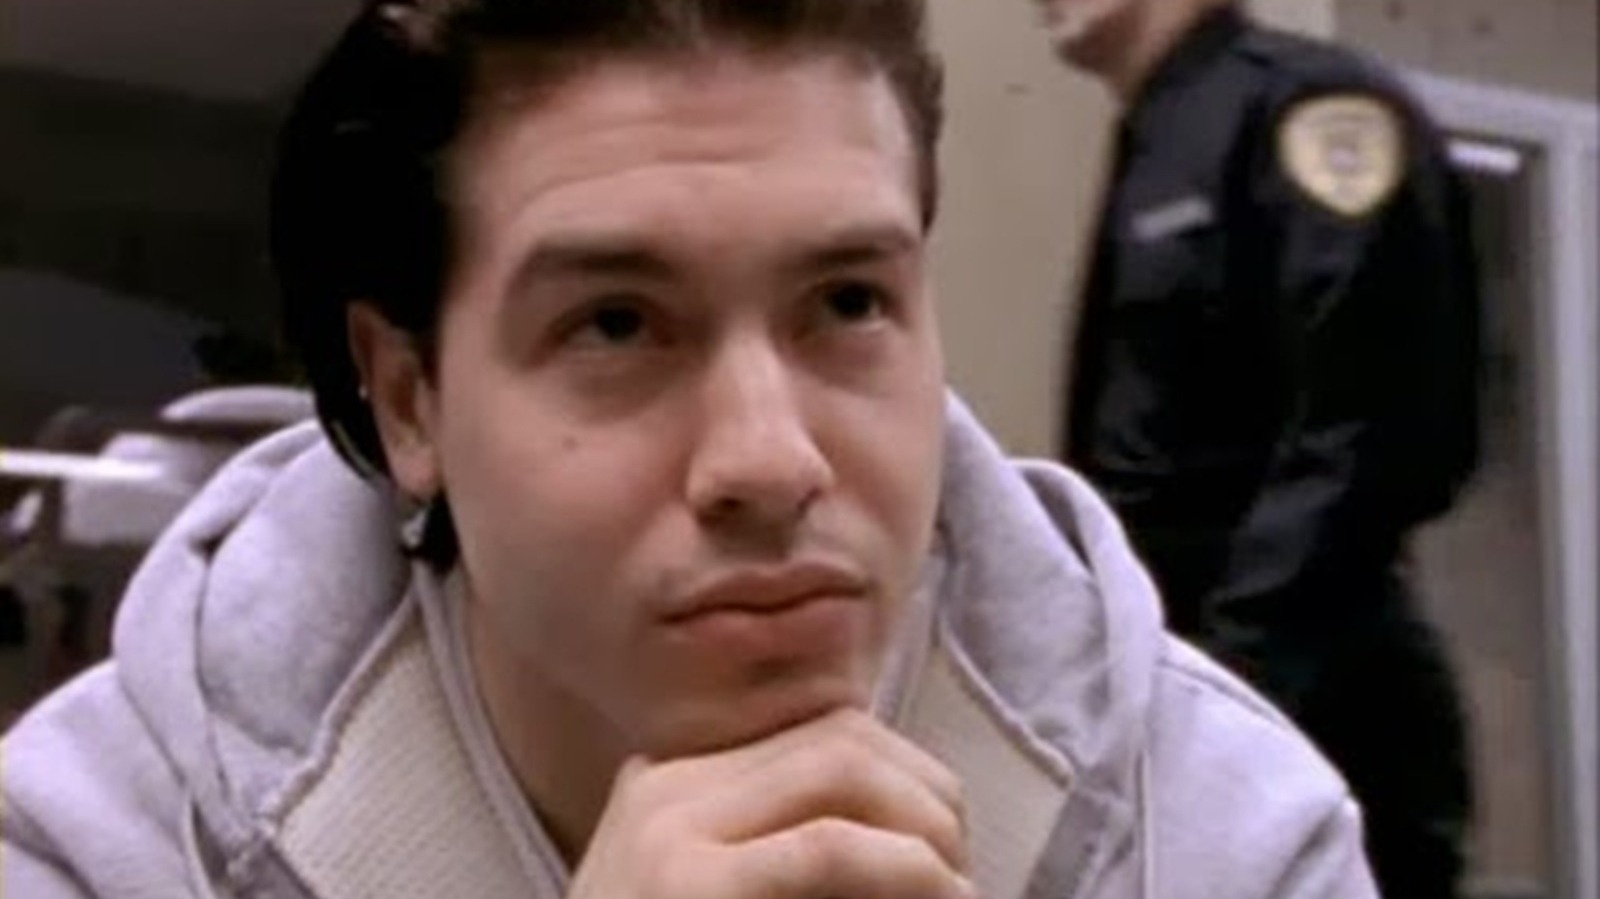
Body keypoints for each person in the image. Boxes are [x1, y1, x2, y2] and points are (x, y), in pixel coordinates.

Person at [2, 1, 1380, 896]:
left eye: (849, 303)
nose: (771, 462)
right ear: (410, 399)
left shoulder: (1221, 832)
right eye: (616, 324)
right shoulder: (103, 842)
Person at [1037, 0, 1482, 896]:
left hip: (1312, 715)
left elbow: (1371, 432)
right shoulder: (1163, 136)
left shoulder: (1308, 110)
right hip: (1197, 707)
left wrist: (1228, 684)